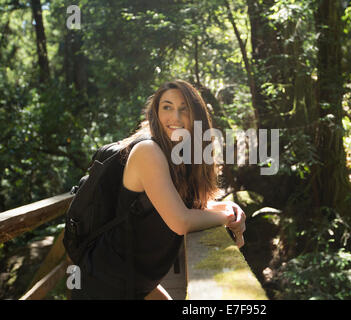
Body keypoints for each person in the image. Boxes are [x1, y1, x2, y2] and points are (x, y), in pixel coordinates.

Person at [71, 80, 246, 300]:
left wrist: (230, 208)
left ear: (196, 116)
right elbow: (181, 221)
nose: (175, 117)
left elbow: (185, 205)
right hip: (106, 283)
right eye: (167, 107)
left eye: (184, 109)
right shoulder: (148, 151)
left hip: (137, 281)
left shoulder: (180, 155)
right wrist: (225, 217)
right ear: (155, 112)